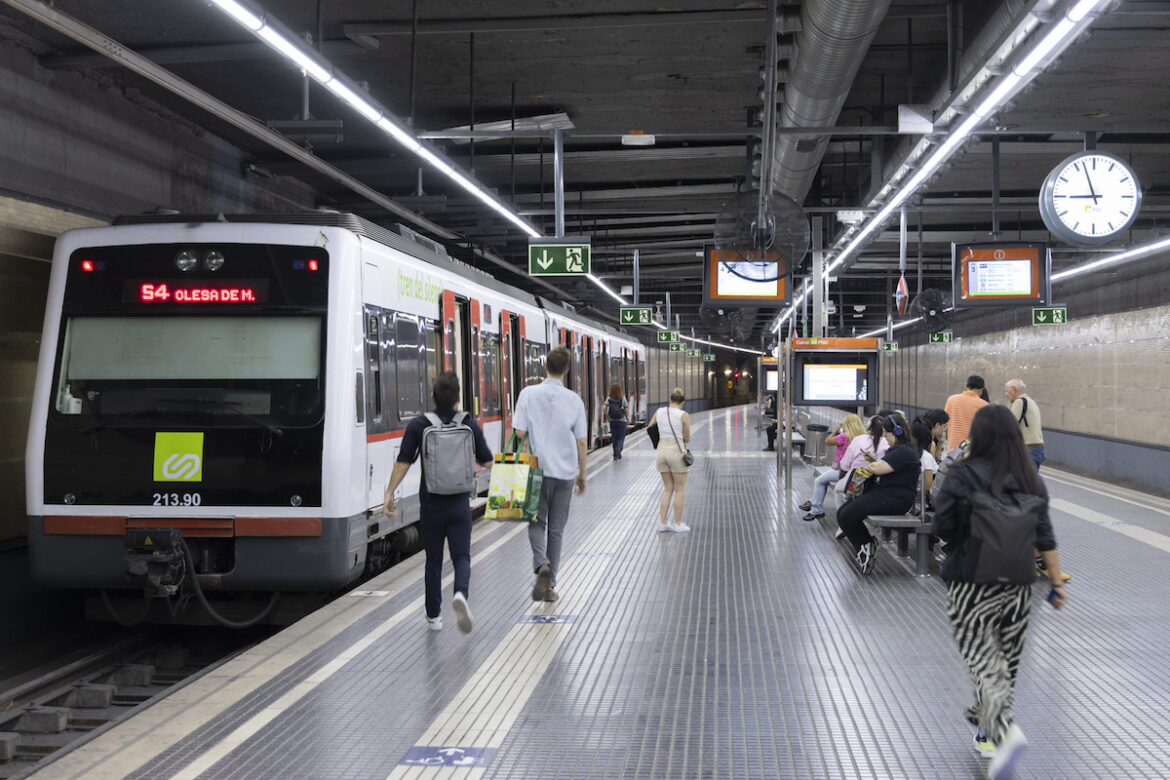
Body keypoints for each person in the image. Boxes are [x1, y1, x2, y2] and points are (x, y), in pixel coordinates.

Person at [933, 405, 1066, 779]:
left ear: (979, 434)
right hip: (1019, 584)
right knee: (1002, 665)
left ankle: (1005, 731)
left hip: (969, 582)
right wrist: (1055, 583)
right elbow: (1045, 535)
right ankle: (986, 731)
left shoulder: (961, 473)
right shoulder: (1031, 478)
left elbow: (942, 523)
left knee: (980, 660)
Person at [383, 372, 493, 633]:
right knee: (462, 557)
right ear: (458, 399)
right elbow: (487, 461)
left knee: (432, 561)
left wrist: (389, 493)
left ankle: (434, 617)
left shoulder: (420, 424)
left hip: (431, 505)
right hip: (458, 504)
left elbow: (403, 462)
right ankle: (461, 595)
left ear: (432, 397)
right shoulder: (468, 424)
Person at [512, 345, 587, 603]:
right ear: (566, 370)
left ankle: (541, 563)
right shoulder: (574, 400)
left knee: (535, 523)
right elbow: (581, 442)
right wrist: (582, 474)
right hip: (565, 473)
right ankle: (549, 586)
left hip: (536, 470)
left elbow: (519, 434)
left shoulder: (528, 394)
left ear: (545, 366)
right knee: (556, 530)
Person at [835, 412, 921, 574]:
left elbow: (878, 469)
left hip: (896, 499)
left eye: (886, 434)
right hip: (886, 494)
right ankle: (864, 545)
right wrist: (873, 461)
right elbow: (886, 467)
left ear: (897, 432)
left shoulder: (905, 452)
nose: (885, 438)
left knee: (848, 514)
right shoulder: (897, 451)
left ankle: (866, 544)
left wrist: (871, 466)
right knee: (842, 513)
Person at [798, 413, 866, 521]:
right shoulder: (862, 437)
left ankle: (816, 509)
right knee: (823, 480)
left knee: (819, 481)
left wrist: (835, 430)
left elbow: (828, 441)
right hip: (854, 471)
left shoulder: (844, 436)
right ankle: (813, 502)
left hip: (842, 470)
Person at [649, 388, 692, 532]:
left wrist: (659, 439)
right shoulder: (683, 415)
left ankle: (662, 523)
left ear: (670, 399)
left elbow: (650, 427)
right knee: (679, 489)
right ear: (683, 402)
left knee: (668, 489)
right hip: (676, 452)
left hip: (661, 452)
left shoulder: (659, 411)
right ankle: (678, 524)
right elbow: (687, 438)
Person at [1005, 378, 1044, 471]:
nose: (1006, 395)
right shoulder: (1031, 401)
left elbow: (1009, 425)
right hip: (1038, 449)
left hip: (1028, 450)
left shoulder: (1019, 402)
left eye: (1006, 391)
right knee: (1030, 480)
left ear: (1013, 389)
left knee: (1026, 482)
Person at [943, 375, 989, 450]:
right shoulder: (985, 405)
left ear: (966, 387)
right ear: (981, 390)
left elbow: (945, 423)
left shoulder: (951, 400)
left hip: (953, 450)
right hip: (972, 451)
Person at [606, 383, 629, 460]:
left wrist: (607, 417)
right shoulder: (622, 398)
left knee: (614, 437)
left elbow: (604, 407)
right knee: (621, 437)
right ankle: (619, 448)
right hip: (621, 421)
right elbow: (626, 409)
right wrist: (627, 417)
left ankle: (615, 455)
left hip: (612, 421)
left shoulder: (609, 398)